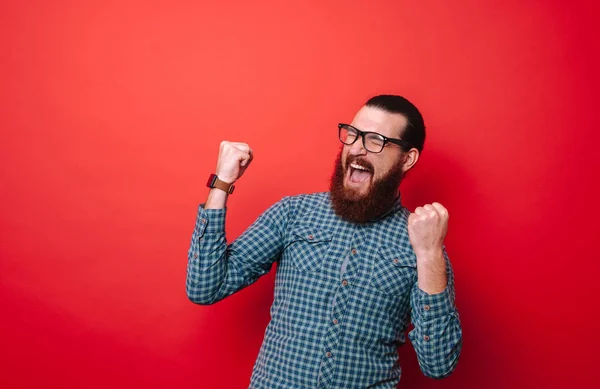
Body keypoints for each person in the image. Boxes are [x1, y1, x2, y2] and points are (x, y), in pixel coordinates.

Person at [186, 95, 462, 388]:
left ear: (407, 159)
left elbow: (438, 363)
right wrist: (222, 183)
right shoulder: (294, 213)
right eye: (353, 135)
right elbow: (205, 287)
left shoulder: (423, 245)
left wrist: (430, 253)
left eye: (375, 140)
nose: (356, 148)